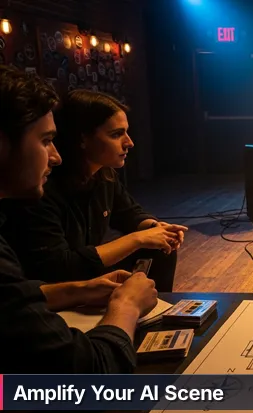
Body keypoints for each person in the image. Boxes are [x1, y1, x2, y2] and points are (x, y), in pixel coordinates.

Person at [0, 65, 158, 373]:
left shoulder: (106, 178)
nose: (55, 157)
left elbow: (13, 295)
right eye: (45, 140)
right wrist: (126, 306)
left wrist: (79, 290)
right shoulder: (42, 195)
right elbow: (85, 377)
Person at [0, 90, 187, 292]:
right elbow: (59, 267)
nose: (129, 143)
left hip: (82, 270)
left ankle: (158, 310)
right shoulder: (41, 188)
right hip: (53, 284)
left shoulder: (103, 175)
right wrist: (138, 238)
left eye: (127, 132)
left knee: (161, 248)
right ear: (82, 138)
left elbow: (129, 213)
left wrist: (155, 227)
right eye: (116, 134)